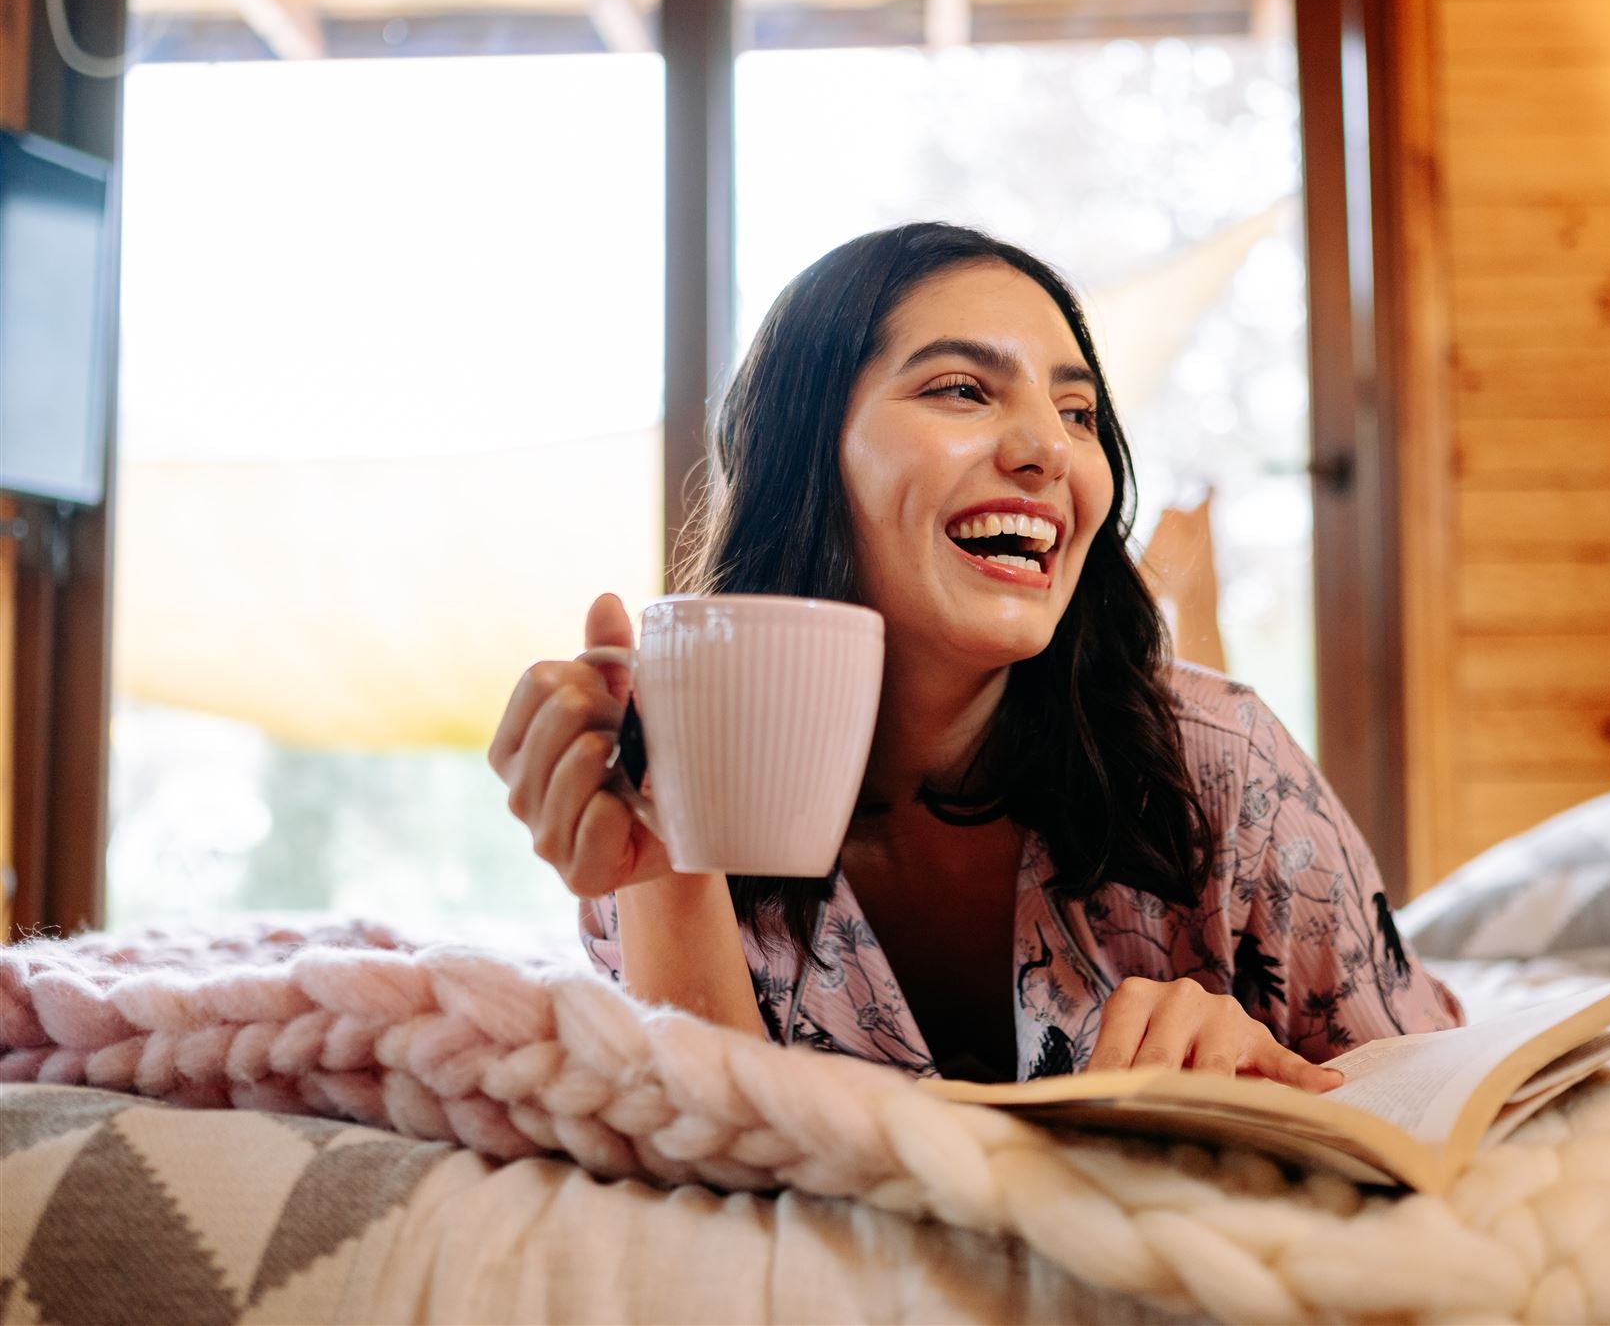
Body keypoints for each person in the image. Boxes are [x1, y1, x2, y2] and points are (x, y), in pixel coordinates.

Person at [489, 222, 1464, 1089]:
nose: (1047, 446)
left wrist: (1261, 1064)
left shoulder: (1225, 766)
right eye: (961, 389)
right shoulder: (662, 788)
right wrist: (665, 878)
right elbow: (708, 1185)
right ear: (803, 453)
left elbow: (1434, 1089)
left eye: (1078, 414)